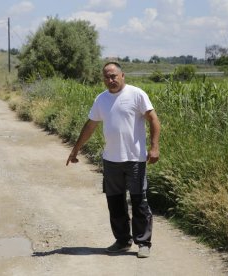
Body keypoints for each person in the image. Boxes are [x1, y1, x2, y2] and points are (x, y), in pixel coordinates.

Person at [66, 61, 160, 258]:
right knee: (115, 202)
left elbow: (153, 119)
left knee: (139, 201)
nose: (110, 80)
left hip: (135, 159)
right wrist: (75, 150)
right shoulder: (101, 99)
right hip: (111, 161)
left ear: (122, 75)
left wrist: (154, 147)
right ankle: (122, 240)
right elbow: (90, 126)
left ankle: (143, 243)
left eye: (114, 76)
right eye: (107, 77)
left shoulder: (136, 94)